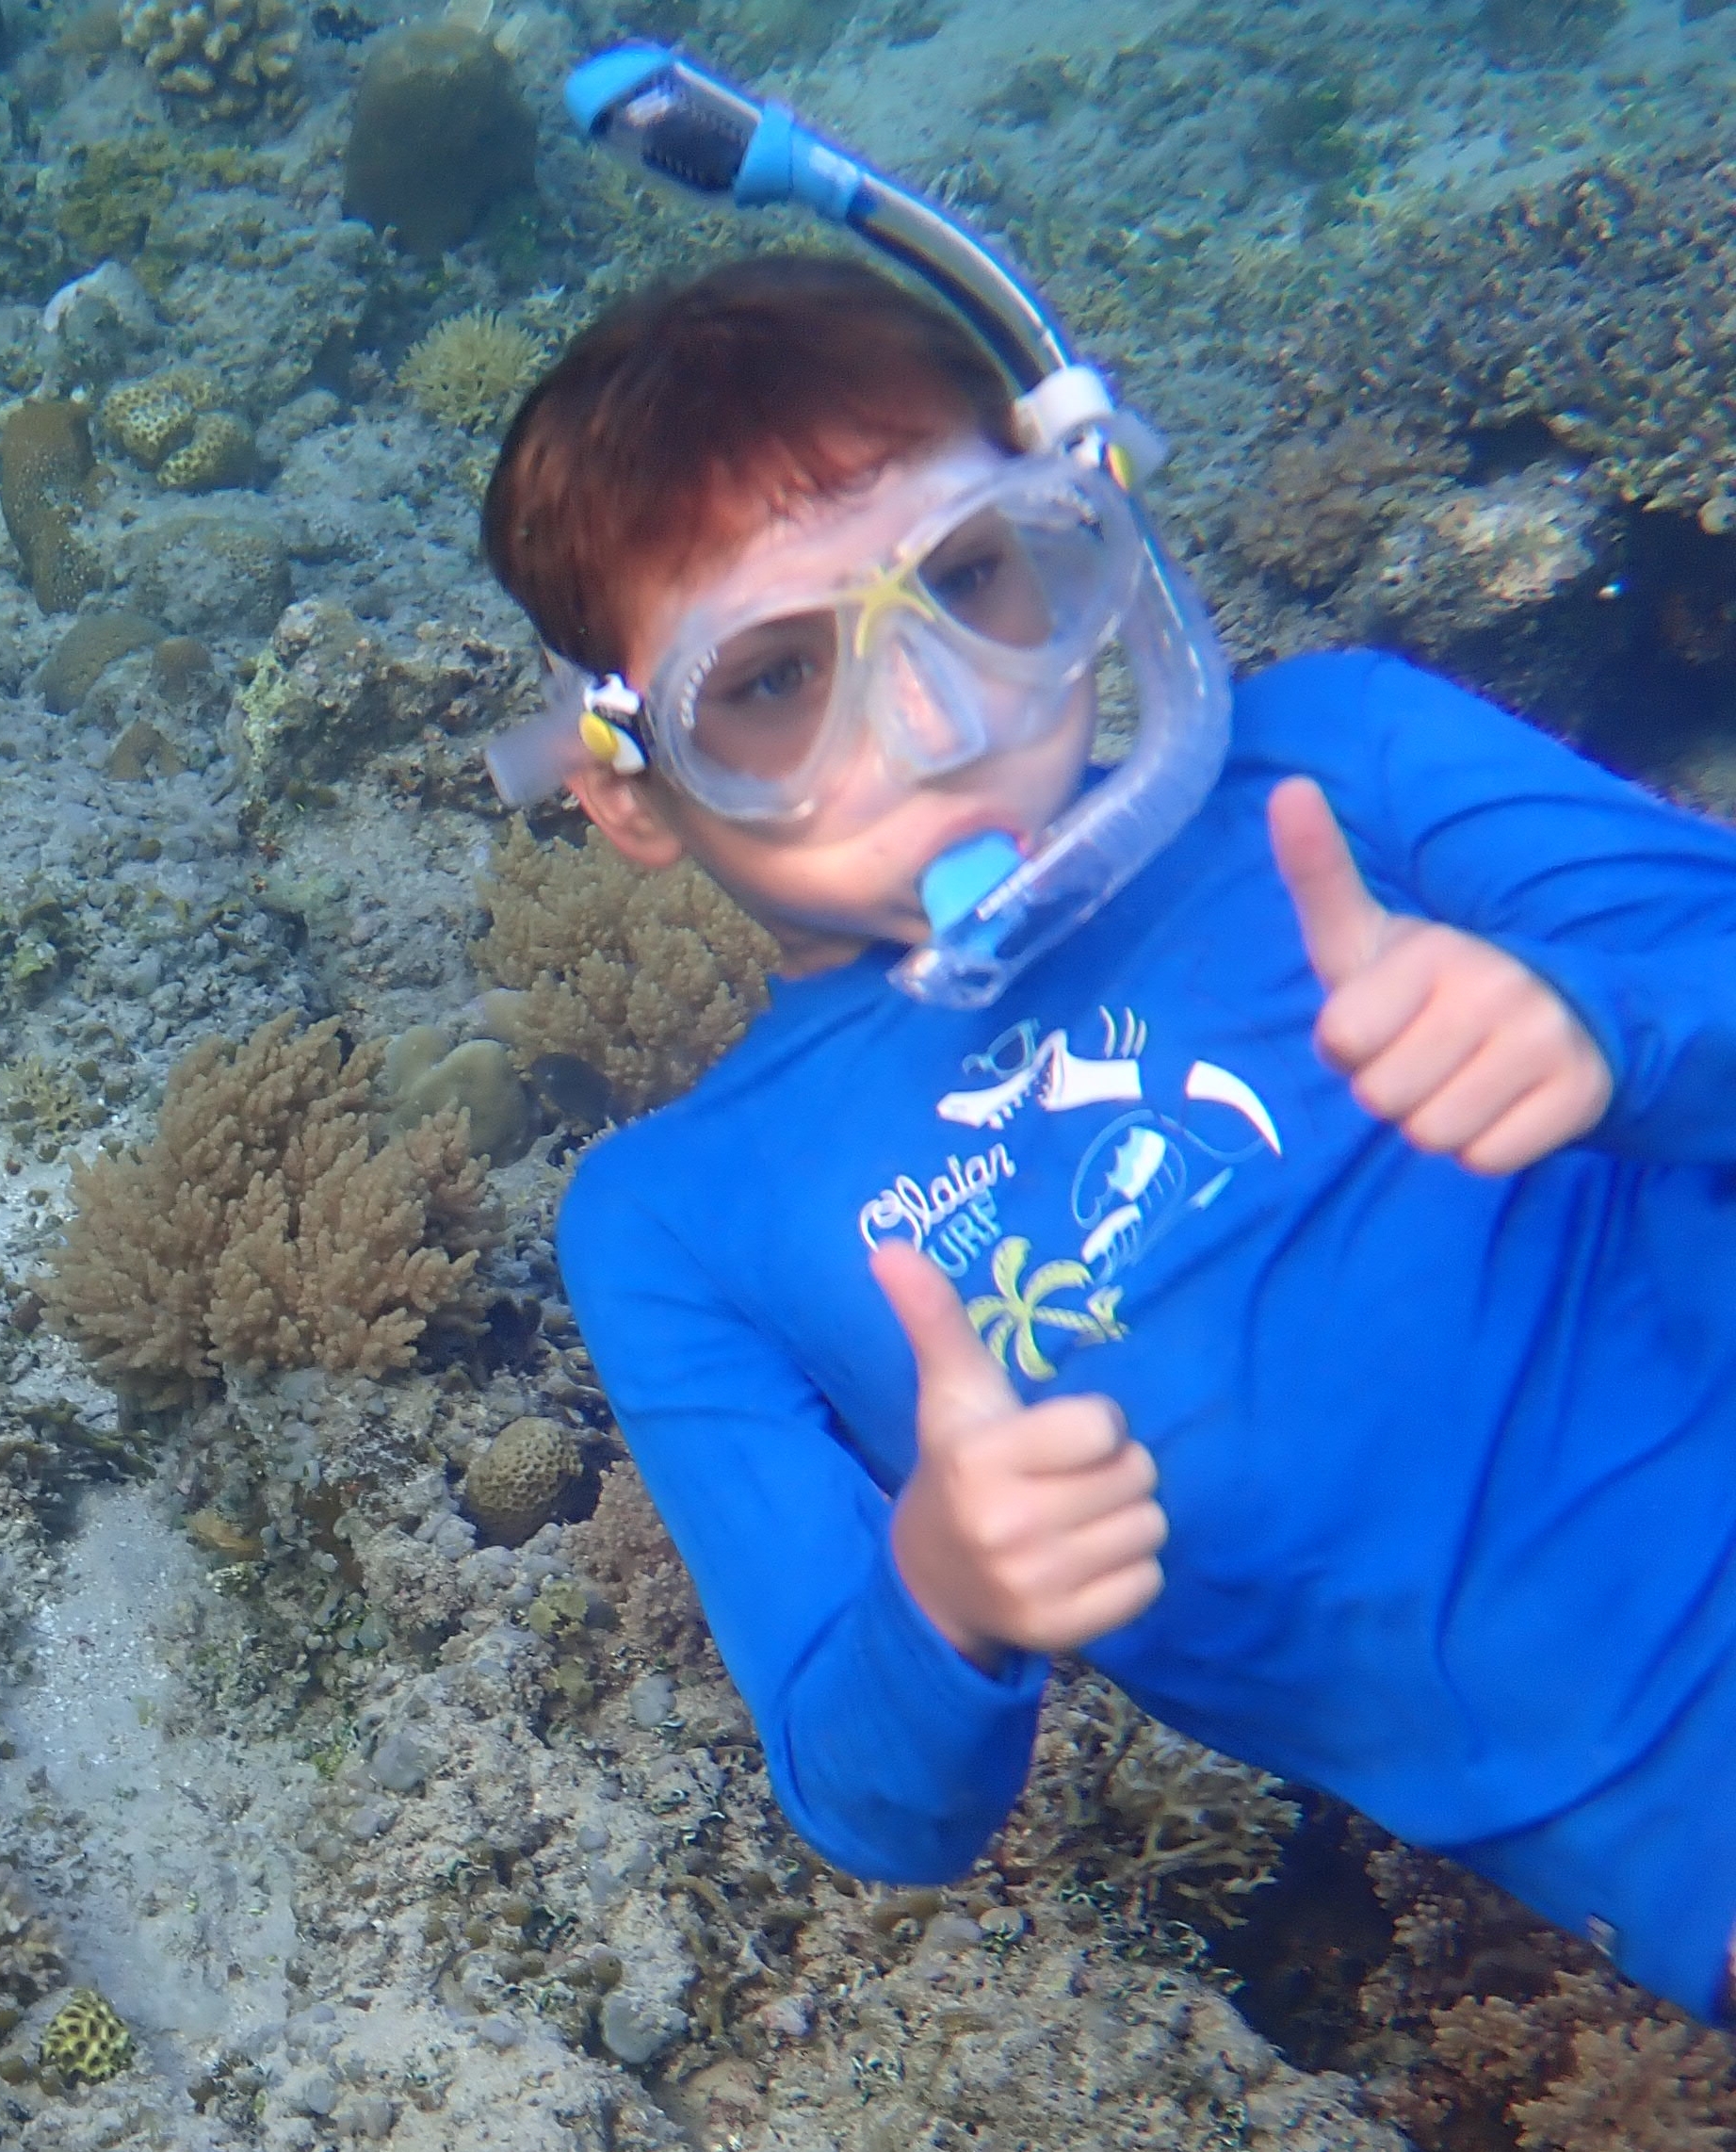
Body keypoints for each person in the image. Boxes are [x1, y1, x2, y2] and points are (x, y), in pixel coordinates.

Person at [479, 237, 1736, 2013]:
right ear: (629, 791)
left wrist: (1615, 1031)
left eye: (969, 576)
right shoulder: (670, 1221)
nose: (934, 722)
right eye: (771, 681)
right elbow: (870, 1800)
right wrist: (944, 1599)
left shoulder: (1346, 754)